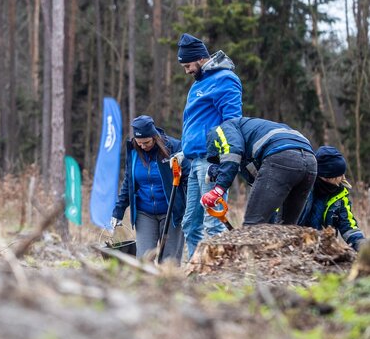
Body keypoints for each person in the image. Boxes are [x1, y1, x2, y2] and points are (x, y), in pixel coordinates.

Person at [177, 33, 243, 256]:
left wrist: (223, 160)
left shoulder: (225, 79)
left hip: (211, 161)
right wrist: (183, 152)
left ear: (200, 58)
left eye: (188, 65)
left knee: (213, 222)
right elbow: (195, 123)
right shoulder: (198, 84)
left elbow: (232, 122)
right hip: (194, 161)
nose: (187, 71)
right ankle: (197, 269)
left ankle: (219, 270)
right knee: (190, 224)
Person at [203, 116, 316, 227]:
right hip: (310, 162)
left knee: (253, 226)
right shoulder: (252, 138)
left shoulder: (220, 130)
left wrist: (218, 190)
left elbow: (232, 153)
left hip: (282, 156)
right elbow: (263, 187)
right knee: (286, 229)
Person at [110, 115, 188, 263]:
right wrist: (118, 211)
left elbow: (188, 178)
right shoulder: (133, 152)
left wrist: (190, 207)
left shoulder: (174, 147)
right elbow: (128, 182)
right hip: (144, 213)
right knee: (144, 260)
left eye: (146, 142)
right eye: (139, 143)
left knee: (169, 262)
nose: (142, 146)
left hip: (171, 212)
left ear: (154, 137)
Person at [298, 146, 365, 251]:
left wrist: (362, 245)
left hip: (324, 250)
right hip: (297, 247)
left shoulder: (341, 196)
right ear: (326, 176)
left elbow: (348, 226)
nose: (343, 178)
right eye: (339, 175)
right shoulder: (301, 189)